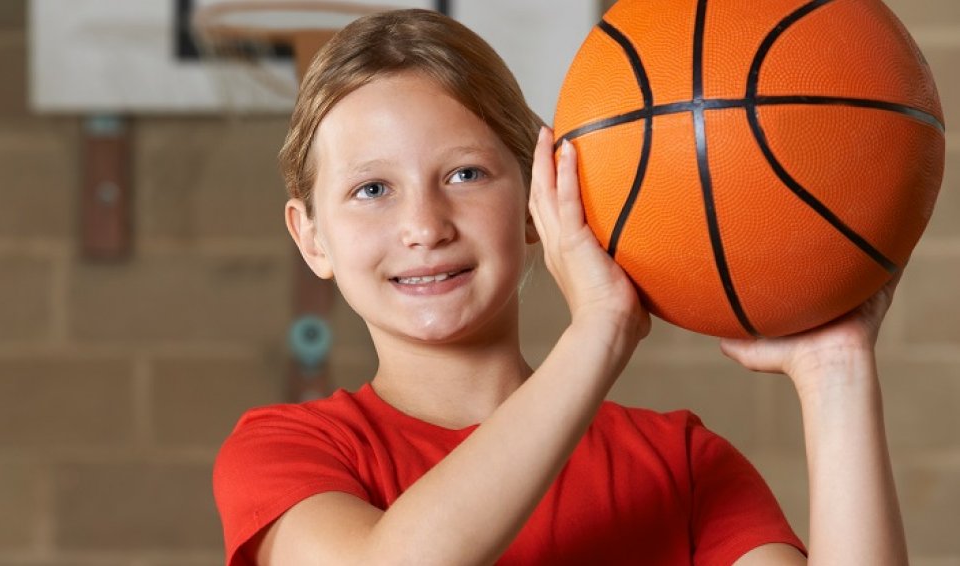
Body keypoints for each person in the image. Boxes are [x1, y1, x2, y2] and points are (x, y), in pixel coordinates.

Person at [212, 8, 907, 566]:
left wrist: (835, 374)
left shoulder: (682, 464)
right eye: (371, 189)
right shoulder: (285, 452)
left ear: (537, 199)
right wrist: (600, 329)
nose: (423, 226)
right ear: (311, 237)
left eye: (464, 175)